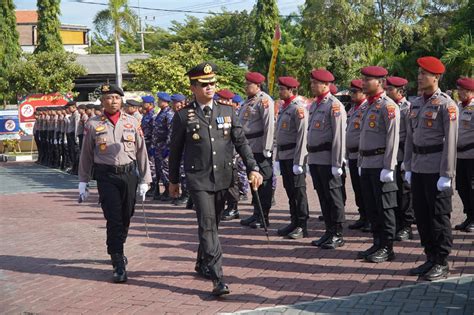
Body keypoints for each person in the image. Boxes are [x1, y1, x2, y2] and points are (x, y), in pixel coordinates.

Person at [168, 62, 263, 296]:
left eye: (212, 83)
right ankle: (218, 278)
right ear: (193, 87)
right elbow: (175, 151)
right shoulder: (182, 116)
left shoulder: (227, 111)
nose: (210, 87)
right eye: (204, 84)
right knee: (208, 226)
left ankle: (202, 262)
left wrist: (254, 167)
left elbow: (241, 142)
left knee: (214, 225)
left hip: (224, 177)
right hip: (198, 179)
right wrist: (173, 181)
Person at [78, 84, 152, 283]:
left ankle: (118, 243)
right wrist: (83, 181)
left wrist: (146, 179)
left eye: (116, 98)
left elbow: (141, 151)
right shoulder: (93, 124)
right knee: (114, 217)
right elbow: (85, 154)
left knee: (127, 215)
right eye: (108, 98)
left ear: (121, 101)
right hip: (106, 176)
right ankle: (117, 260)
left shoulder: (132, 122)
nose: (113, 101)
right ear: (102, 102)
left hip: (129, 175)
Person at [404, 57, 458, 281]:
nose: (419, 77)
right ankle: (430, 257)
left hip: (436, 169)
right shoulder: (415, 104)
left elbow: (451, 142)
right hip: (418, 167)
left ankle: (442, 261)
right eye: (418, 73)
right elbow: (409, 138)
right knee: (423, 216)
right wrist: (407, 166)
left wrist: (446, 174)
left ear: (435, 77)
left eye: (423, 74)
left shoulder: (447, 104)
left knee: (438, 217)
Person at [358, 66, 400, 263]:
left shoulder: (388, 106)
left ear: (380, 82)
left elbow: (392, 138)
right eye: (363, 79)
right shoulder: (368, 105)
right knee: (372, 207)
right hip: (367, 163)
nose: (363, 83)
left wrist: (389, 167)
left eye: (368, 80)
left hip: (381, 164)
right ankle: (377, 242)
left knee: (385, 208)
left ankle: (387, 247)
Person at [307, 69, 347, 249]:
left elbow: (338, 136)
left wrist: (337, 163)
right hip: (316, 158)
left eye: (316, 83)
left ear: (326, 85)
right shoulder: (315, 105)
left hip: (328, 159)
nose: (312, 85)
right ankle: (328, 231)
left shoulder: (334, 105)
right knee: (323, 197)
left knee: (333, 197)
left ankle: (337, 233)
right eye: (312, 82)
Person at [238, 71, 275, 229]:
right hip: (249, 147)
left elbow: (269, 125)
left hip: (260, 147)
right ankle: (256, 213)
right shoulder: (248, 102)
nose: (246, 87)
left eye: (248, 84)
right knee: (253, 181)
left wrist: (267, 147)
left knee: (263, 183)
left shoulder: (264, 100)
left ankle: (263, 216)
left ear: (257, 85)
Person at [274, 76, 309, 239]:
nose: (280, 91)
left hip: (294, 156)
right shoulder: (284, 107)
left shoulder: (298, 108)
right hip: (284, 155)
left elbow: (302, 136)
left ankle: (302, 224)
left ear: (291, 90)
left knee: (298, 192)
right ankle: (294, 221)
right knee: (290, 191)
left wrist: (299, 160)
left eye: (282, 89)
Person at [386, 76, 415, 241]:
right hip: (391, 154)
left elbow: (410, 135)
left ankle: (406, 226)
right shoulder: (388, 106)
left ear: (401, 91)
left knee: (405, 193)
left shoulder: (407, 108)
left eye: (391, 89)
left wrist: (407, 159)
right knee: (393, 191)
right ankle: (396, 222)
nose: (388, 92)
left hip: (403, 154)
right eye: (387, 89)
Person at [346, 79, 371, 232]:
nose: (351, 94)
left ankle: (370, 218)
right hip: (352, 154)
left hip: (363, 155)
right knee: (357, 188)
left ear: (362, 92)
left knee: (365, 189)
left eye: (354, 92)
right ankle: (363, 216)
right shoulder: (353, 109)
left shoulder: (366, 107)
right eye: (351, 91)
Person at [455, 77, 474, 233]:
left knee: (472, 188)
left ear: (470, 91)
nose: (459, 93)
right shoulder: (459, 107)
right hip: (460, 156)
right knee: (461, 187)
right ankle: (469, 215)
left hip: (472, 156)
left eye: (462, 90)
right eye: (458, 90)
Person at [153, 92, 174, 202]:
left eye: (159, 100)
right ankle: (166, 190)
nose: (158, 102)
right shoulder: (161, 113)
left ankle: (170, 191)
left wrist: (168, 146)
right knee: (160, 169)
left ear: (165, 101)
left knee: (165, 168)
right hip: (158, 146)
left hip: (164, 146)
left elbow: (171, 131)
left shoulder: (169, 113)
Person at [141, 95, 158, 198]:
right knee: (149, 166)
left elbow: (154, 131)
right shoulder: (146, 115)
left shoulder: (153, 115)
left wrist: (153, 145)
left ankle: (155, 186)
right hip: (146, 143)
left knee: (153, 166)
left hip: (151, 144)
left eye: (144, 103)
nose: (143, 104)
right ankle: (152, 185)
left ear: (150, 104)